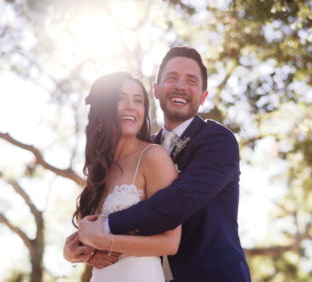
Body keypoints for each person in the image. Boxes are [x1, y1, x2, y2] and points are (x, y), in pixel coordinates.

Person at [75, 46, 252, 281]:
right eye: (172, 78)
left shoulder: (216, 140)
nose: (180, 86)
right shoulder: (142, 150)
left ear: (203, 96)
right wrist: (79, 248)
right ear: (156, 91)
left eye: (191, 81)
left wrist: (104, 228)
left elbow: (177, 202)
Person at [63, 72, 180, 282]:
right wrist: (73, 253)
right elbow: (90, 236)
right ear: (103, 106)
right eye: (120, 98)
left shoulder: (153, 157)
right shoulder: (99, 169)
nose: (131, 106)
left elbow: (170, 243)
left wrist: (106, 242)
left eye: (138, 101)